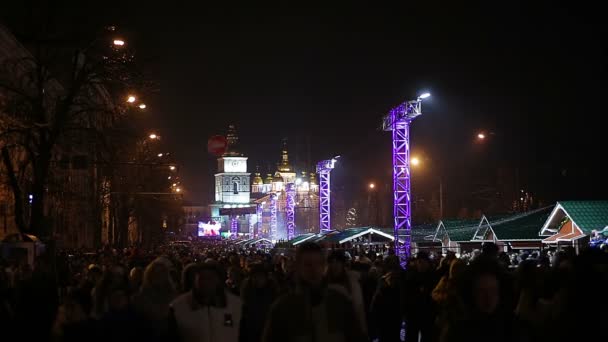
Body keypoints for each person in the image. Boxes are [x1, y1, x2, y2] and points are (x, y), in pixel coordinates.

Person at [262, 242, 366, 342]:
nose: (314, 269)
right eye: (308, 264)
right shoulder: (283, 307)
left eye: (318, 264)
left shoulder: (340, 301)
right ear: (298, 267)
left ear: (324, 266)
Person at [169, 261, 242, 342]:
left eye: (210, 278)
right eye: (202, 278)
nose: (206, 282)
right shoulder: (179, 306)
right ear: (195, 281)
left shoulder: (234, 304)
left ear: (218, 280)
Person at [326, 249, 367, 334]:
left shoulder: (352, 281)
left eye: (337, 262)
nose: (335, 265)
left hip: (350, 328)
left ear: (342, 264)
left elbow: (359, 308)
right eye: (332, 262)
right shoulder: (324, 282)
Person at [239, 263, 278, 342]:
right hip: (251, 329)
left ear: (266, 277)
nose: (257, 279)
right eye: (254, 277)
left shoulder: (272, 291)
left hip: (267, 328)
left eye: (260, 276)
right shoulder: (247, 290)